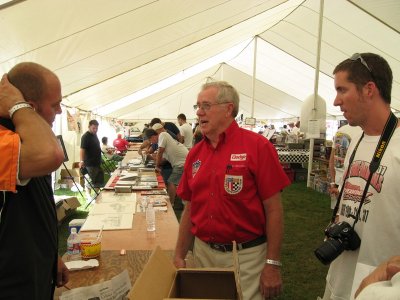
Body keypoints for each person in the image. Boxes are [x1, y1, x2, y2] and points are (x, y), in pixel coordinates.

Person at [173, 81, 291, 300]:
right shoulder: (195, 154)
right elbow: (190, 209)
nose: (199, 112)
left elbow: (274, 210)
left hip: (246, 257)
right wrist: (179, 254)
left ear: (229, 109)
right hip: (203, 254)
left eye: (206, 106)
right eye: (197, 106)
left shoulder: (258, 147)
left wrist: (272, 264)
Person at [320, 53, 400, 300]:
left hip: (380, 289)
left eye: (342, 90)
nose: (336, 101)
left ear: (369, 89)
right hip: (340, 279)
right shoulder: (356, 138)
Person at [0, 62, 69, 299]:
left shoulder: (28, 134)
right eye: (55, 104)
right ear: (29, 106)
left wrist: (52, 255)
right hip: (12, 284)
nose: (59, 111)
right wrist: (17, 105)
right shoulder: (5, 137)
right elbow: (51, 155)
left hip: (34, 271)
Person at [146, 124, 188, 206]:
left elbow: (160, 152)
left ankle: (170, 204)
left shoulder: (162, 134)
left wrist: (157, 166)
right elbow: (163, 160)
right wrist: (152, 158)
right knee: (181, 183)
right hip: (183, 162)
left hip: (182, 163)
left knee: (171, 182)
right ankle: (183, 202)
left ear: (153, 136)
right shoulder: (164, 142)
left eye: (151, 140)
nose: (152, 142)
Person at [328, 123, 362, 209]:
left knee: (338, 213)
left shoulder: (340, 130)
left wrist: (332, 182)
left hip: (339, 179)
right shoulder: (363, 131)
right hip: (352, 181)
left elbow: (331, 159)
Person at [79, 119, 104, 202]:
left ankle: (95, 197)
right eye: (93, 128)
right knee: (89, 182)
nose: (95, 130)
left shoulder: (95, 135)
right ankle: (89, 197)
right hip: (89, 163)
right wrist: (82, 161)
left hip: (97, 162)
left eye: (96, 128)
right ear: (89, 127)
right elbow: (82, 150)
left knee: (99, 181)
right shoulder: (85, 137)